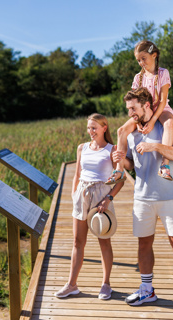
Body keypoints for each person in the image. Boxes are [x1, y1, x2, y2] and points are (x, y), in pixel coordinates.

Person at [112, 87, 173, 319]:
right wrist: (123, 160)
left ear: (146, 105)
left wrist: (156, 146)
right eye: (128, 109)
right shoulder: (131, 133)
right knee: (143, 245)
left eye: (133, 109)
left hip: (170, 198)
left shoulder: (166, 127)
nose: (130, 113)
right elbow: (131, 164)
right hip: (142, 198)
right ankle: (147, 290)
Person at [54, 113, 124, 300]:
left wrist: (108, 199)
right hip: (82, 195)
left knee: (104, 241)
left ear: (104, 128)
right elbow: (77, 174)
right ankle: (71, 285)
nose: (91, 131)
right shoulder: (82, 148)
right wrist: (73, 194)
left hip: (102, 196)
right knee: (78, 241)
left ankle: (106, 284)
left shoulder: (112, 149)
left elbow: (121, 180)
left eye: (94, 128)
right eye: (88, 128)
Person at [107, 40, 173, 185]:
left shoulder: (163, 73)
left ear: (154, 55)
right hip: (142, 111)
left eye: (143, 58)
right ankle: (119, 170)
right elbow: (134, 103)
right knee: (121, 130)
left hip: (160, 109)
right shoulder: (137, 77)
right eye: (138, 60)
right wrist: (138, 121)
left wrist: (152, 121)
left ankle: (165, 164)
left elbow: (163, 101)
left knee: (169, 124)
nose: (140, 62)